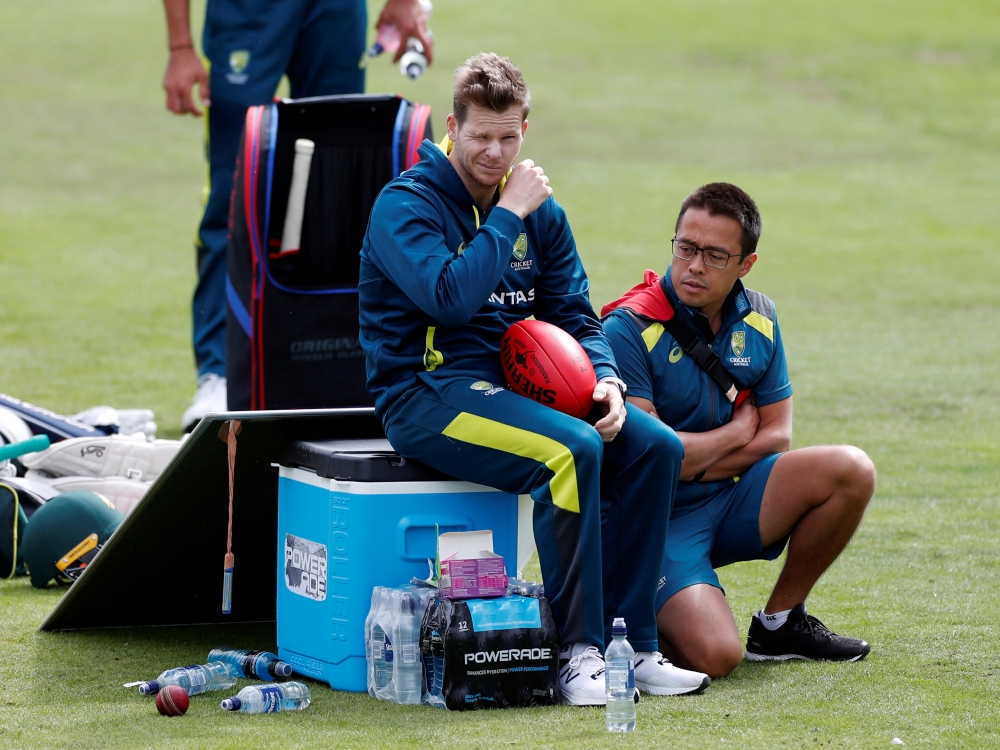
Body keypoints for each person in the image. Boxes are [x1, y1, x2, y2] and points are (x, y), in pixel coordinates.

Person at [358, 53, 710, 705]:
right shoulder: (405, 204)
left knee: (656, 445)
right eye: (480, 136)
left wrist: (605, 381)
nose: (494, 152)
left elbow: (575, 312)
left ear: (527, 129)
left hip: (521, 391)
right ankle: (576, 654)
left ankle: (632, 647)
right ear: (453, 128)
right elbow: (449, 300)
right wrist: (507, 215)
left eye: (509, 136)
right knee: (569, 452)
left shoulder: (541, 213)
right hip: (427, 394)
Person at [602, 183, 877, 678]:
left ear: (745, 265)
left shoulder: (762, 318)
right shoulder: (626, 328)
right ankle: (635, 609)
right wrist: (736, 433)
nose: (694, 266)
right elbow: (658, 455)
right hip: (658, 522)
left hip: (729, 500)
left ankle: (779, 625)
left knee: (851, 470)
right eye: (685, 248)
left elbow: (776, 437)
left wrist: (704, 454)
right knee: (717, 657)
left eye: (714, 255)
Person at [160, 0, 434, 430]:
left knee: (339, 178)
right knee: (233, 191)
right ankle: (219, 373)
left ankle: (343, 367)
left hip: (335, 9)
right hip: (246, 10)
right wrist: (180, 46)